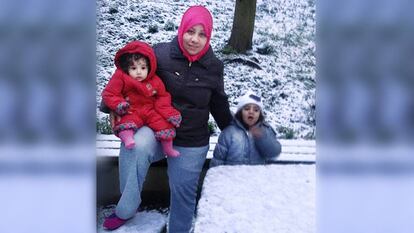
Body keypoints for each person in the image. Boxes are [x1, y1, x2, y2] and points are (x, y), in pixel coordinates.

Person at [101, 6, 233, 232]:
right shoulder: (160, 54)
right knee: (134, 146)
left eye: (202, 34)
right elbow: (127, 77)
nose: (194, 39)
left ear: (209, 36)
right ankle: (126, 209)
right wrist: (109, 107)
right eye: (190, 31)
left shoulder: (214, 67)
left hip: (191, 138)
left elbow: (219, 103)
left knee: (184, 193)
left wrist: (235, 131)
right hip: (154, 127)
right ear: (182, 29)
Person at [101, 41, 181, 157]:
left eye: (143, 68)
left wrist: (170, 114)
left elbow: (162, 97)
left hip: (150, 110)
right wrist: (119, 104)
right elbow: (110, 93)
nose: (139, 72)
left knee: (164, 124)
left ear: (149, 67)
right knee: (126, 122)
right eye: (133, 68)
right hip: (131, 109)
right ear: (127, 68)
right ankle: (128, 139)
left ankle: (168, 149)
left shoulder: (154, 80)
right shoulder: (121, 77)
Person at [210, 91, 282, 167]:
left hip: (256, 176)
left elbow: (274, 153)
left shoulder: (265, 130)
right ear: (240, 112)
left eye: (256, 110)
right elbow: (218, 160)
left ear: (260, 114)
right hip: (232, 176)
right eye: (247, 108)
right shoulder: (229, 132)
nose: (251, 112)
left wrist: (262, 138)